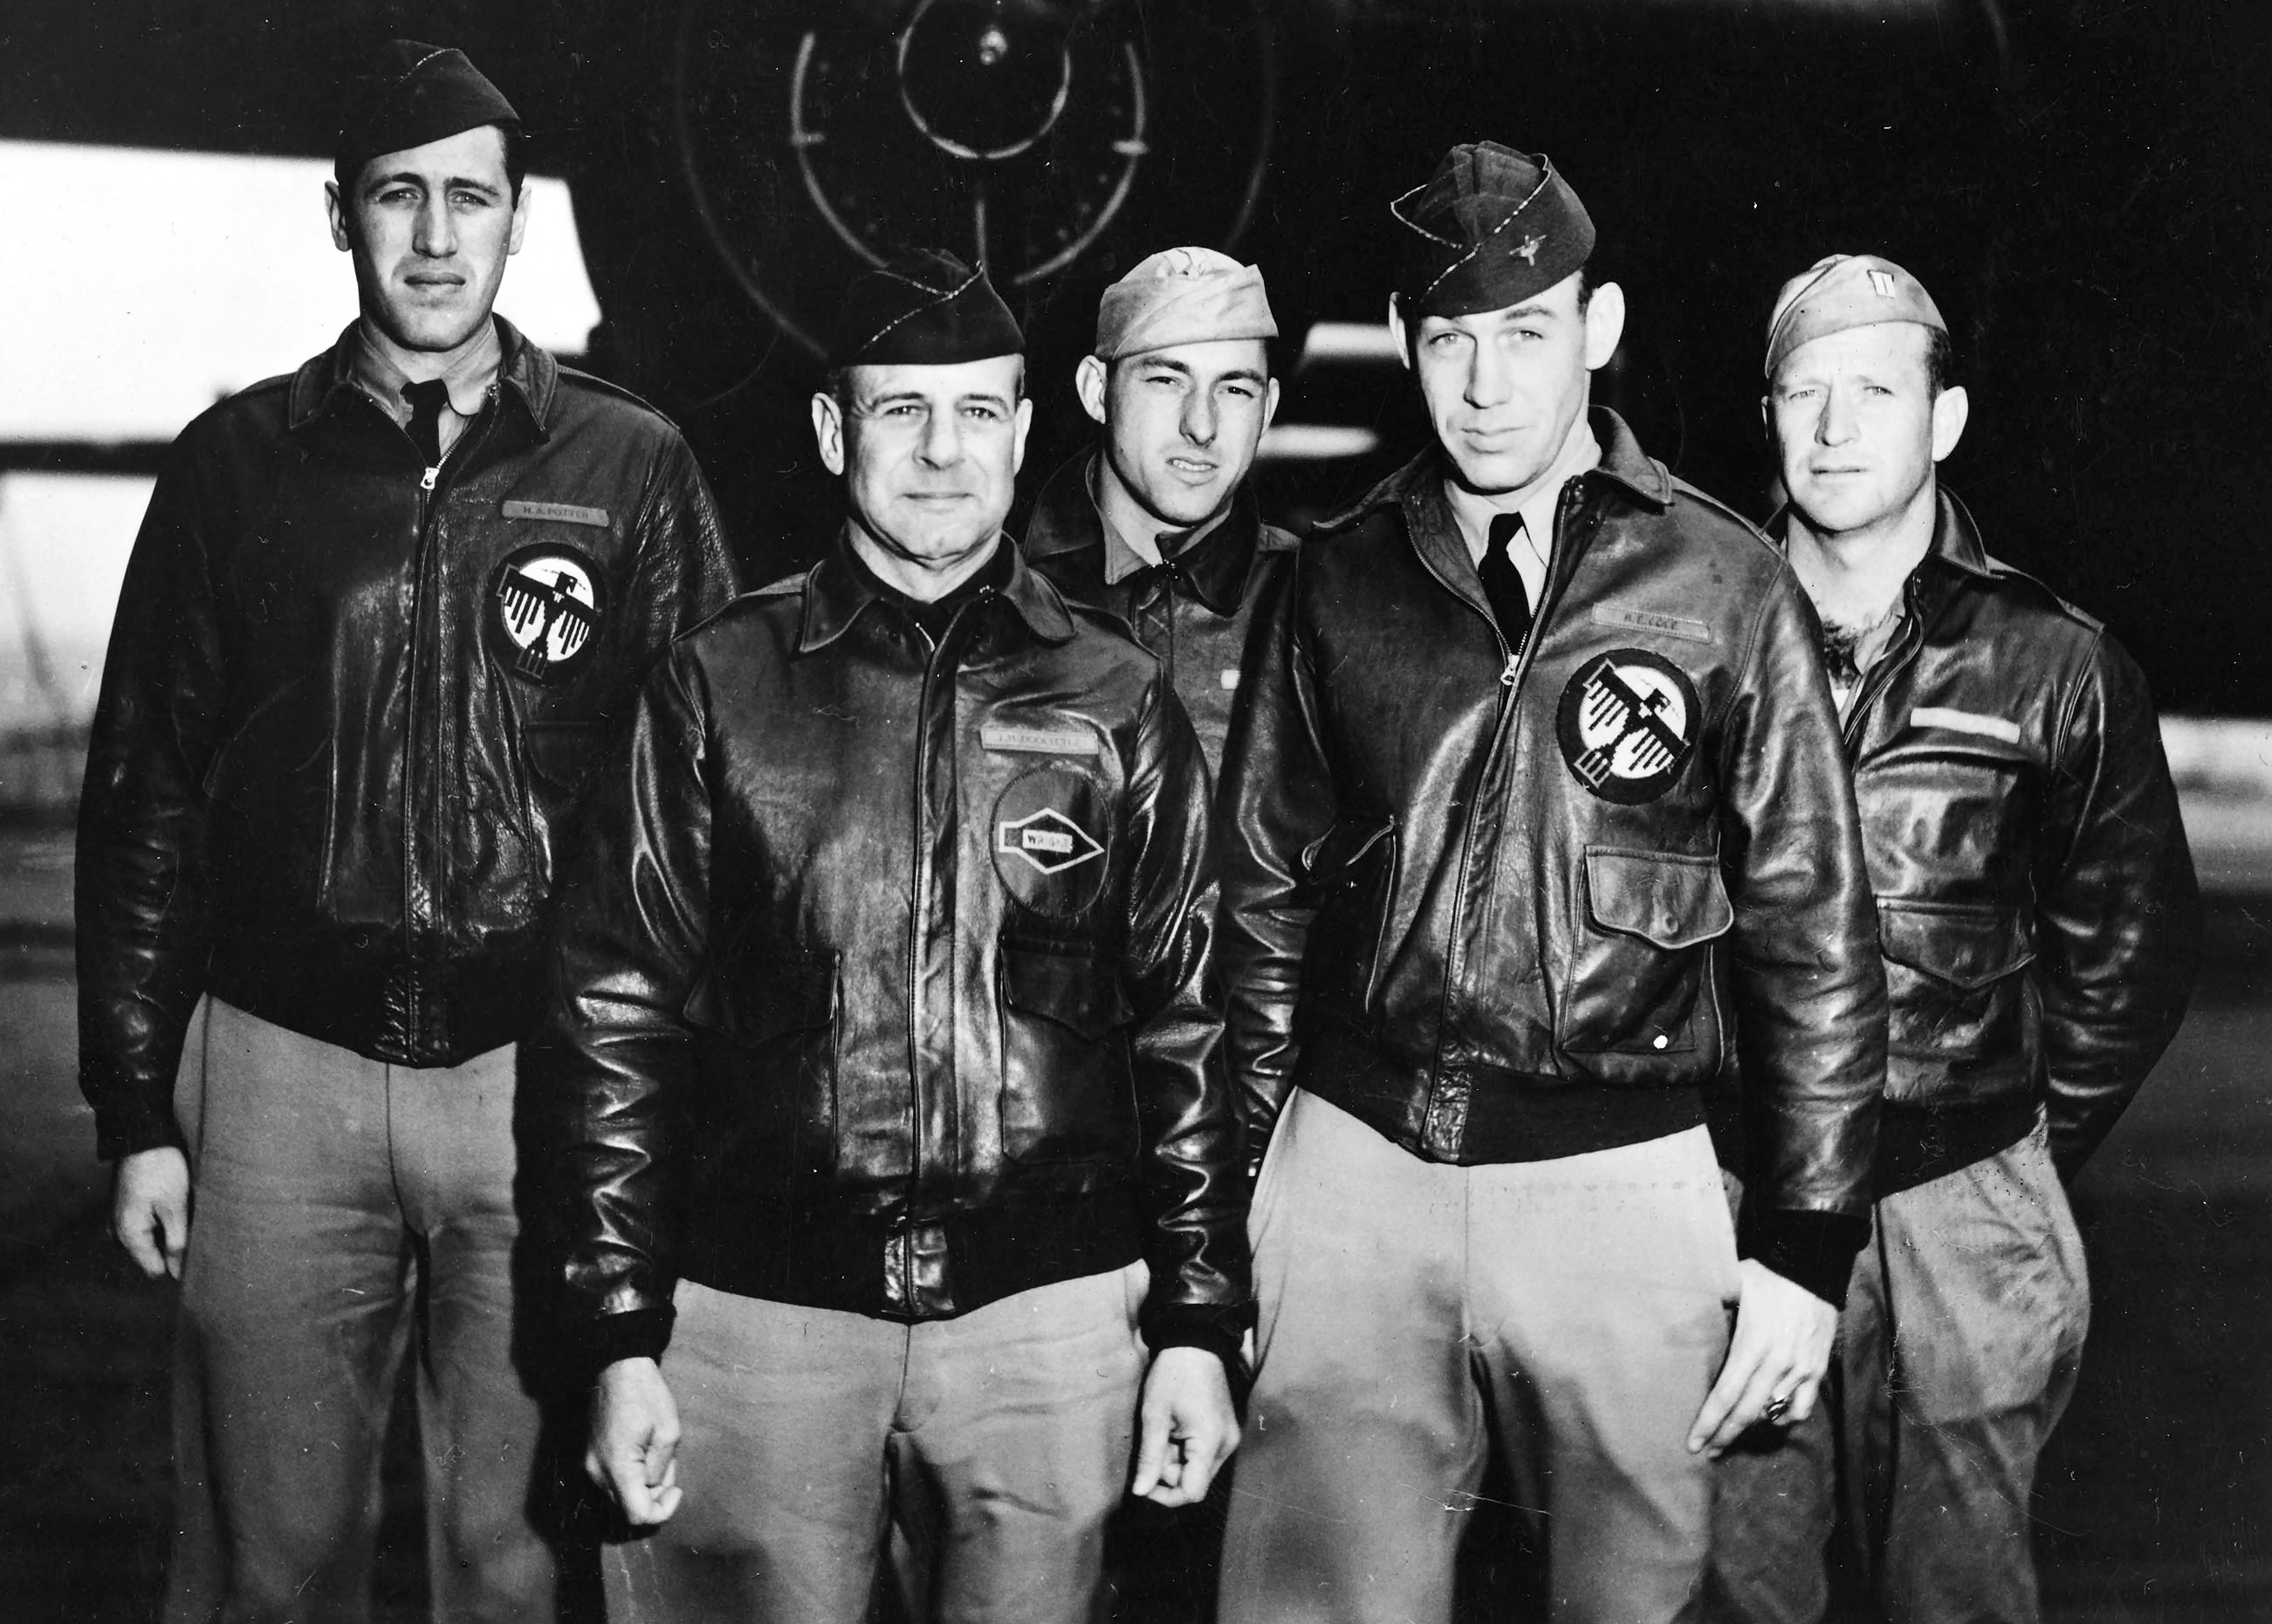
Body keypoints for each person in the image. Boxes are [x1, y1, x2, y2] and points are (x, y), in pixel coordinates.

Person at [74, 39, 738, 1621]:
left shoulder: (630, 467)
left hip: (542, 1078)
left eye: (469, 201)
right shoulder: (236, 466)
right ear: (337, 216)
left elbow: (712, 810)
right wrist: (134, 1105)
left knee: (513, 1558)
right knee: (267, 1557)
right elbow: (145, 791)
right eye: (397, 199)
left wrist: (696, 1103)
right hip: (283, 1074)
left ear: (520, 224)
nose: (434, 239)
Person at [1212, 141, 1888, 1624]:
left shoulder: (1719, 583)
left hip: (1618, 1184)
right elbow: (1253, 910)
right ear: (1404, 346)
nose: (1484, 382)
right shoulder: (1330, 576)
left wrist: (1803, 1239)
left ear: (1600, 328)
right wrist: (1229, 1224)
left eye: (1526, 333)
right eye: (1447, 339)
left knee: (1627, 1603)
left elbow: (1812, 932)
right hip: (1353, 1170)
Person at [536, 249, 1248, 1623]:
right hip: (756, 1329)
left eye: (978, 413)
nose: (939, 451)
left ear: (1029, 428)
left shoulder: (1115, 697)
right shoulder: (715, 688)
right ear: (830, 430)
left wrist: (1199, 1325)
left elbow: (1188, 1020)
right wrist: (616, 1332)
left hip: (1047, 1333)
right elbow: (609, 1018)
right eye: (900, 411)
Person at [1705, 254, 2201, 1624]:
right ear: (1766, 415)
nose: (1833, 425)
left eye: (1874, 389)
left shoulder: (2054, 664)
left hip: (1961, 1196)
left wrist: (2010, 1141)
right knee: (1730, 1588)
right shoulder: (1693, 630)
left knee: (1957, 1590)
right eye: (1801, 390)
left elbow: (2129, 944)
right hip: (1730, 1193)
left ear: (1947, 417)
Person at [1024, 245, 1291, 772]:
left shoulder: (1315, 608)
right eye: (1167, 379)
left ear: (1268, 410)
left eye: (1235, 389)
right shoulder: (1007, 598)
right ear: (1096, 391)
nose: (1202, 425)